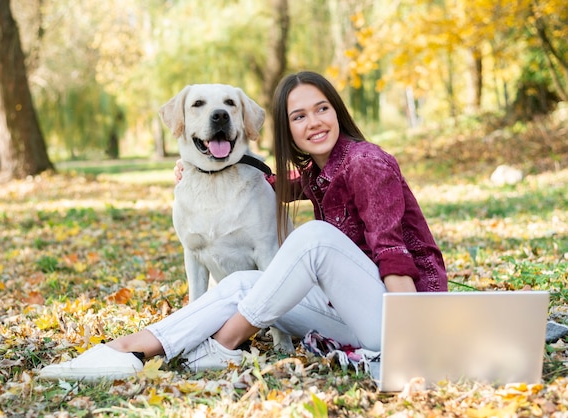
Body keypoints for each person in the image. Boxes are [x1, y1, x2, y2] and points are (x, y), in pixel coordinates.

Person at [38, 71, 447, 381]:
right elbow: (272, 184)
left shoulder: (366, 162)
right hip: (352, 317)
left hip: (402, 317)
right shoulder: (319, 173)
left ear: (338, 111)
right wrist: (198, 170)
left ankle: (224, 342)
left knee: (314, 237)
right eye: (299, 116)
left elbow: (394, 256)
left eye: (323, 109)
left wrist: (408, 340)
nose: (314, 123)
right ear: (288, 130)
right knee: (240, 284)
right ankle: (130, 351)